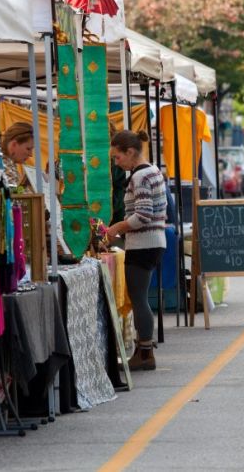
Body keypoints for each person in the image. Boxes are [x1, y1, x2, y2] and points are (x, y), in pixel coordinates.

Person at [106, 130, 167, 371]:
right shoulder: (153, 171)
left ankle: (144, 353)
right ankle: (144, 351)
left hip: (143, 243)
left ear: (130, 152)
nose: (116, 163)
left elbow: (142, 215)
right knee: (141, 297)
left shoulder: (139, 177)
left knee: (139, 299)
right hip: (153, 242)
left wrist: (116, 228)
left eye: (117, 157)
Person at [0, 122, 35, 190]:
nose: (31, 154)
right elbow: (16, 198)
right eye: (28, 149)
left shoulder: (8, 164)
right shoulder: (4, 166)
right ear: (14, 145)